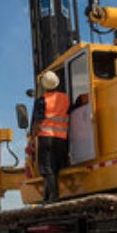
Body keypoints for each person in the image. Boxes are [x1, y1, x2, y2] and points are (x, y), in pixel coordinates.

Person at [30, 70, 69, 203]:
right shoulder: (65, 98)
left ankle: (54, 196)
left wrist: (31, 139)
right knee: (55, 167)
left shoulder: (42, 100)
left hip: (46, 138)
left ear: (44, 85)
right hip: (61, 139)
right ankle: (47, 196)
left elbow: (37, 122)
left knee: (46, 167)